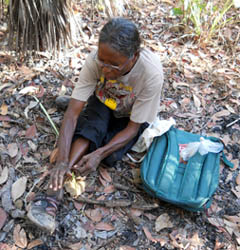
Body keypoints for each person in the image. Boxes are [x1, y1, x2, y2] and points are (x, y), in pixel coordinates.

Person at [27, 17, 164, 233]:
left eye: (114, 66)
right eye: (103, 62)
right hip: (104, 100)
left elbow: (132, 129)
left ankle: (88, 129)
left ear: (133, 57)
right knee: (90, 128)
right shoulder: (95, 60)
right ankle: (55, 190)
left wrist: (99, 154)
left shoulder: (151, 74)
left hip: (130, 116)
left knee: (109, 157)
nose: (106, 70)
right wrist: (62, 161)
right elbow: (72, 114)